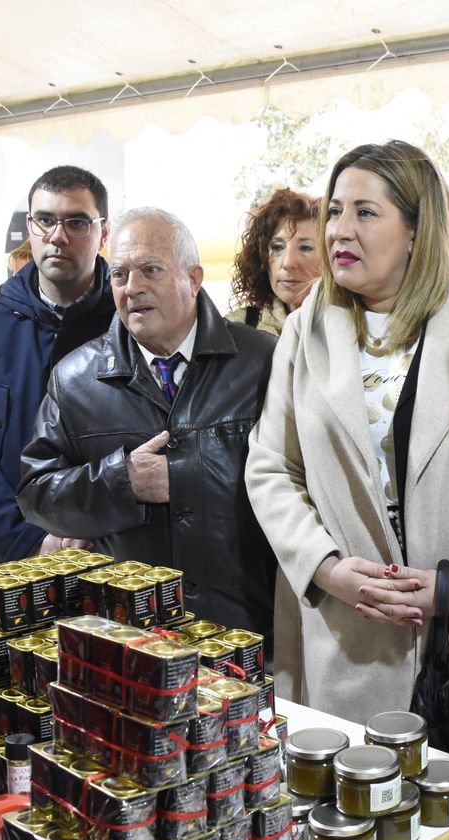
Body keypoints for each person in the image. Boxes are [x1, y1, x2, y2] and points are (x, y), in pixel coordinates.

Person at [245, 141, 449, 720]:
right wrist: (325, 567)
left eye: (365, 212)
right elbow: (271, 467)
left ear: (419, 229)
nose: (340, 230)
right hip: (344, 633)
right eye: (336, 210)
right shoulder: (304, 331)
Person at [19, 208, 278, 635]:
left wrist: (188, 475)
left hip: (248, 629)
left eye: (150, 270)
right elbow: (36, 494)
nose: (132, 287)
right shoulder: (74, 378)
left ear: (193, 279)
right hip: (129, 635)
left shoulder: (263, 361)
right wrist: (123, 481)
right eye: (119, 274)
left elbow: (298, 480)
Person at [0, 166, 114, 567]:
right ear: (30, 227)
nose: (57, 235)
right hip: (13, 558)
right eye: (45, 220)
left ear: (104, 232)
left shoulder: (130, 323)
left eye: (76, 222)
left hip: (119, 558)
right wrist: (26, 539)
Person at [229, 188, 322, 336]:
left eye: (305, 248)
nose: (288, 262)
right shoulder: (235, 329)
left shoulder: (359, 328)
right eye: (278, 247)